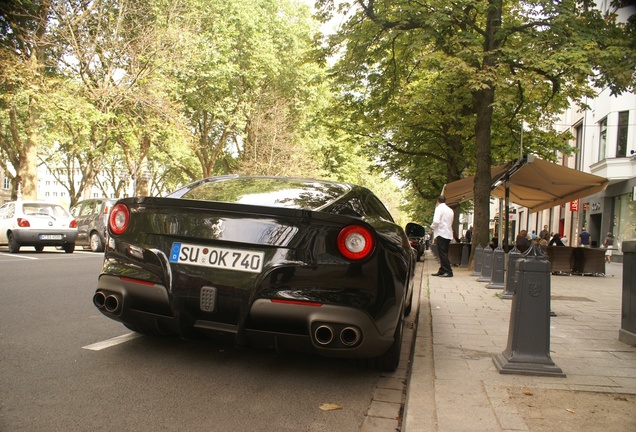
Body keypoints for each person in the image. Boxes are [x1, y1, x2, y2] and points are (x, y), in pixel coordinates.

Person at [430, 195, 454, 278]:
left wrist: (432, 227)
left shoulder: (439, 208)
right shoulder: (450, 210)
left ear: (438, 201)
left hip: (441, 233)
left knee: (442, 254)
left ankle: (448, 271)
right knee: (445, 253)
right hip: (448, 233)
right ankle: (442, 270)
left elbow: (436, 221)